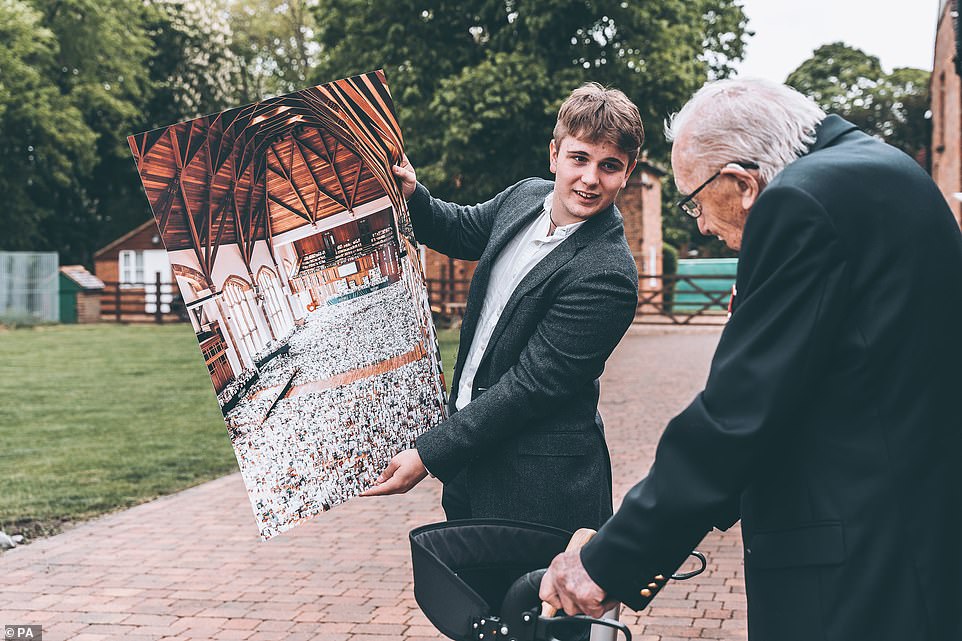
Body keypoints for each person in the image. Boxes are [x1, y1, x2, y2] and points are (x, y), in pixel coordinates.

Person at [539, 78, 962, 640]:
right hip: (916, 537)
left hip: (855, 565)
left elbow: (739, 413)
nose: (704, 226)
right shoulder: (887, 170)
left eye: (694, 204)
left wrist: (610, 560)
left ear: (742, 183)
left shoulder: (800, 203)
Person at [362, 83, 642, 533]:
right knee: (473, 602)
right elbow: (460, 229)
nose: (591, 178)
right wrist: (413, 196)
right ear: (555, 155)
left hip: (539, 487)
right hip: (473, 464)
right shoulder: (526, 196)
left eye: (609, 166)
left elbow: (530, 387)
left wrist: (430, 453)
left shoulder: (607, 274)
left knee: (532, 605)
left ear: (626, 173)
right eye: (579, 158)